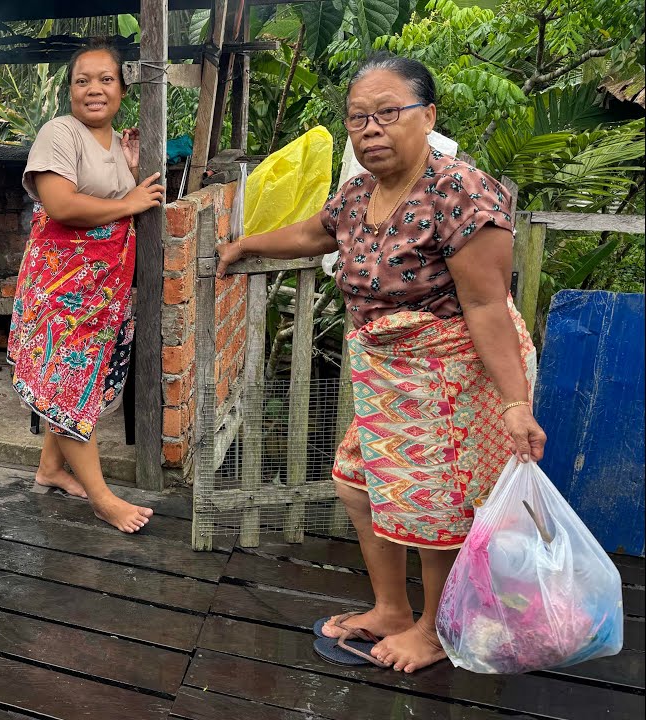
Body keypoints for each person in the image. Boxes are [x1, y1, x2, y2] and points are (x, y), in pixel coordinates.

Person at [217, 53, 546, 673]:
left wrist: (515, 402)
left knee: (434, 501)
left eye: (388, 113)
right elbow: (317, 233)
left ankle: (434, 627)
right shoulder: (359, 194)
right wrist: (245, 244)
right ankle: (393, 609)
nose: (370, 129)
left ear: (428, 117)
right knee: (358, 480)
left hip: (456, 373)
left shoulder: (460, 192)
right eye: (358, 118)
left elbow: (486, 305)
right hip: (390, 378)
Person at [7, 40, 167, 533]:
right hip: (63, 287)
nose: (94, 89)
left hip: (102, 286)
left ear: (121, 88)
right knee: (67, 383)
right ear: (69, 90)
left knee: (78, 382)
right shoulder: (60, 133)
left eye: (105, 79)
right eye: (82, 80)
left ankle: (51, 468)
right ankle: (102, 498)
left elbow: (129, 195)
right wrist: (132, 201)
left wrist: (134, 172)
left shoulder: (117, 142)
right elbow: (63, 205)